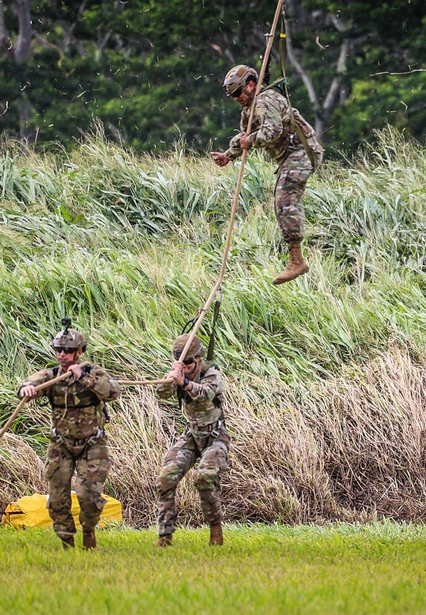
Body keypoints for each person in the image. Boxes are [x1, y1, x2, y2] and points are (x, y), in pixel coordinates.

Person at [212, 64, 324, 285]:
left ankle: (296, 260)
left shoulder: (266, 100)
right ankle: (296, 258)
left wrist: (250, 141)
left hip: (302, 151)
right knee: (281, 198)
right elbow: (245, 136)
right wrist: (228, 155)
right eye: (232, 95)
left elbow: (272, 132)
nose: (236, 98)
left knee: (285, 197)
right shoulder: (250, 109)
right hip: (289, 157)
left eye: (238, 93)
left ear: (251, 85)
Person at [18, 320, 120, 550]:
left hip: (92, 444)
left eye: (69, 351)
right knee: (57, 498)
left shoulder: (94, 372)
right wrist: (26, 388)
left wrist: (82, 377)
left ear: (80, 352)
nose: (62, 355)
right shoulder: (52, 375)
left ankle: (89, 531)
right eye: (59, 350)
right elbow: (32, 382)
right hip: (61, 444)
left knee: (88, 495)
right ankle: (66, 540)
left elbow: (112, 392)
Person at [154, 334, 229, 547]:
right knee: (166, 478)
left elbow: (205, 394)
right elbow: (162, 393)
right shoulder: (179, 374)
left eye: (188, 362)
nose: (185, 366)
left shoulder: (211, 374)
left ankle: (215, 529)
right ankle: (165, 535)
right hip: (191, 436)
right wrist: (172, 377)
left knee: (205, 477)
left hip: (214, 436)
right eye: (181, 361)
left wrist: (184, 382)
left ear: (198, 359)